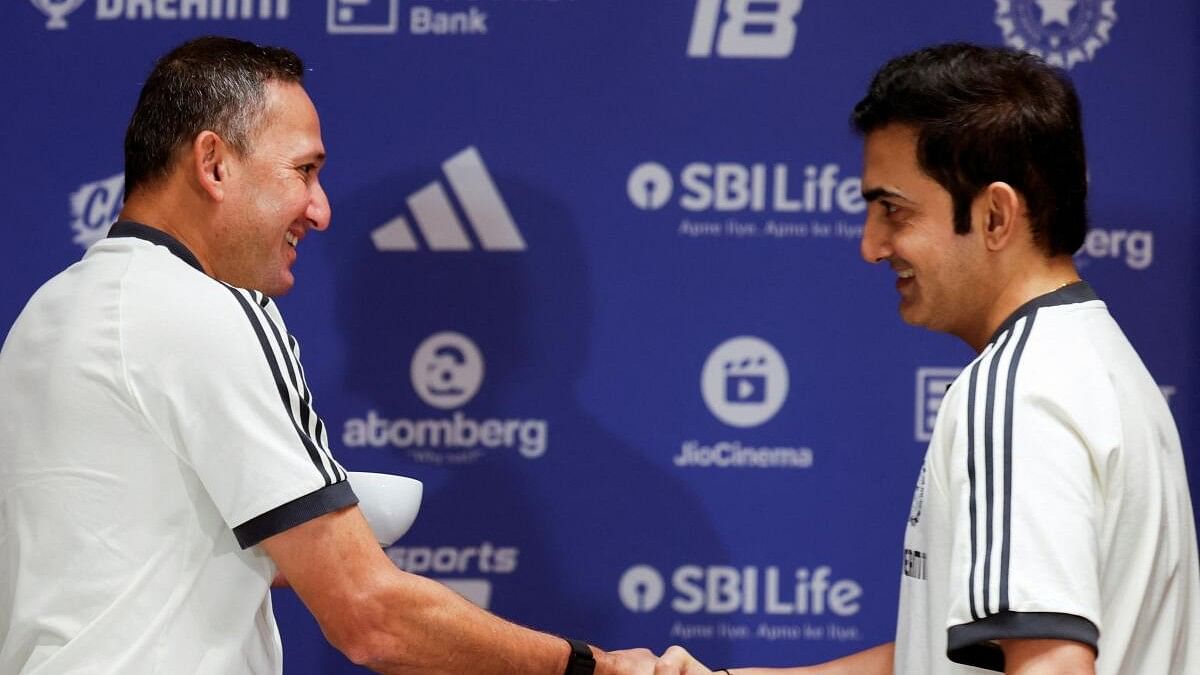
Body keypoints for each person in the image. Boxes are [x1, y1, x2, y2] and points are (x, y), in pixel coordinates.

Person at [0, 36, 655, 675]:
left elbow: (121, 555)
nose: (320, 209)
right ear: (215, 163)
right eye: (304, 170)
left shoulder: (47, 315)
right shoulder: (211, 311)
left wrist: (308, 535)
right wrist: (587, 666)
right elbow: (372, 619)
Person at [652, 43, 1200, 675]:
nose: (871, 245)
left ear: (995, 215)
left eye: (893, 210)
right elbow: (953, 657)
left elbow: (1049, 665)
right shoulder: (1095, 359)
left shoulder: (1018, 392)